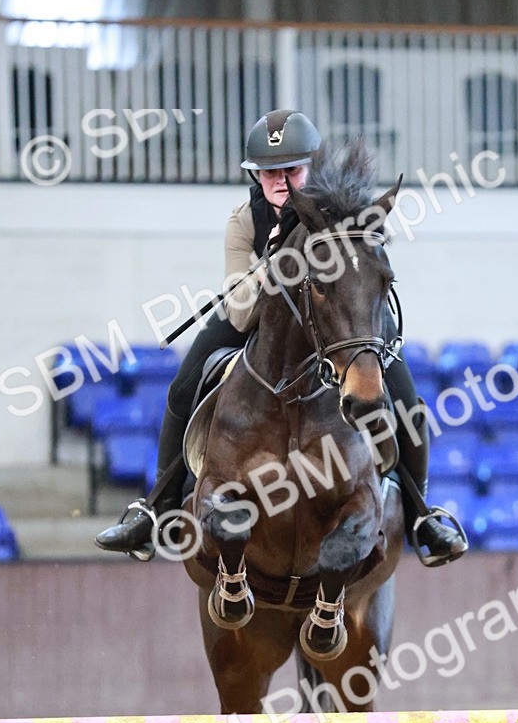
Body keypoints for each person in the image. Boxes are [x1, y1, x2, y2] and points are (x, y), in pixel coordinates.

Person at [95, 109, 467, 564]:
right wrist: (278, 262)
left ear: (309, 168)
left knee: (407, 403)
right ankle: (156, 509)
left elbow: (366, 266)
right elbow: (241, 309)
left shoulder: (341, 209)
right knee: (182, 385)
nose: (280, 180)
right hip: (259, 319)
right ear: (257, 175)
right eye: (269, 172)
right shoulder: (244, 222)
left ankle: (420, 515)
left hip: (343, 320)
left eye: (291, 170)